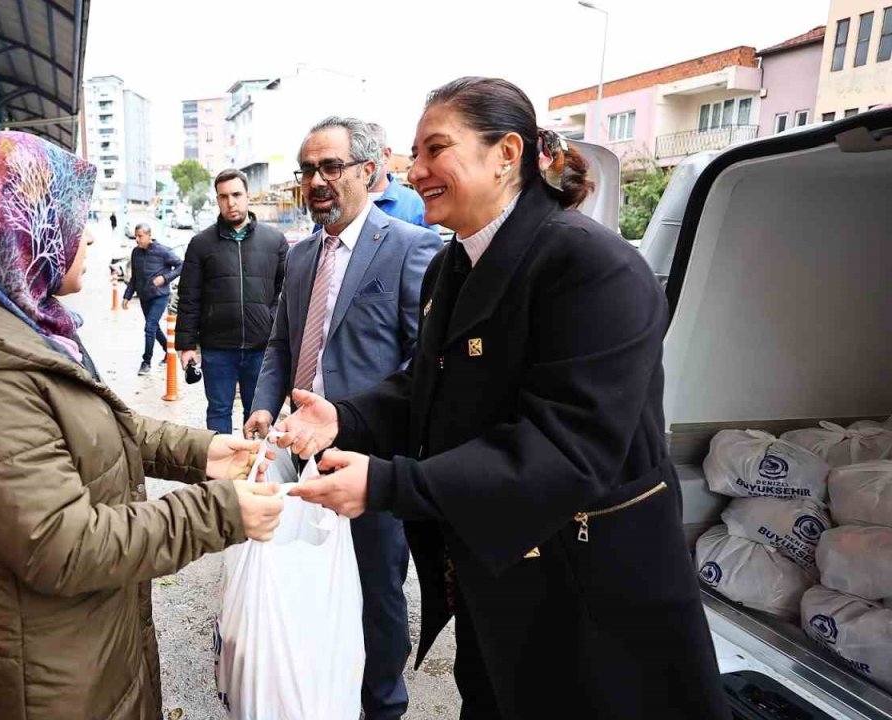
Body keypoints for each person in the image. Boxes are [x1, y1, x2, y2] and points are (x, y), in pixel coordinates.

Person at [277, 78, 730, 720]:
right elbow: (425, 387)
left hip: (590, 585)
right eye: (415, 153)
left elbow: (567, 447)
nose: (418, 170)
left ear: (506, 152)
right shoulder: (452, 264)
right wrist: (344, 418)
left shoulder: (590, 267)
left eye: (437, 149)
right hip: (497, 574)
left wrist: (389, 484)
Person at [0, 131, 284, 720]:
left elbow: (98, 423)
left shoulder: (16, 324)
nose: (83, 236)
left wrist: (204, 454)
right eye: (67, 217)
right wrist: (223, 512)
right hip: (39, 671)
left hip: (71, 644)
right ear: (12, 231)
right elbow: (64, 545)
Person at [244, 116, 439, 719]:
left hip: (368, 460)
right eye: (308, 169)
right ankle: (320, 690)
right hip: (298, 451)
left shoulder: (412, 248)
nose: (317, 181)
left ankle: (381, 705)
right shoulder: (301, 256)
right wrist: (260, 407)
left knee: (376, 591)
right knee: (309, 581)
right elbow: (281, 345)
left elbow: (422, 365)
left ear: (368, 171)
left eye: (331, 166)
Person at [176, 169, 287, 433]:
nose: (231, 202)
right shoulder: (201, 244)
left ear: (248, 196)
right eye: (223, 197)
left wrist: (271, 323)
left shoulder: (274, 240)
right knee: (218, 411)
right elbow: (189, 296)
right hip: (217, 348)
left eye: (236, 195)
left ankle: (251, 467)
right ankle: (221, 470)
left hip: (261, 348)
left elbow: (285, 291)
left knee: (257, 414)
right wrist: (186, 345)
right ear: (217, 200)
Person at [121, 223, 182, 375]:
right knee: (153, 327)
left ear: (149, 235)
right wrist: (127, 296)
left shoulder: (163, 251)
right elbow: (135, 278)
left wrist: (165, 278)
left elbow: (182, 265)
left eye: (140, 236)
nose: (137, 239)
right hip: (144, 296)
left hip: (160, 296)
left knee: (149, 327)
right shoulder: (135, 253)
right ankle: (168, 351)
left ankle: (146, 362)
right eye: (136, 236)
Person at [366, 122, 435, 230]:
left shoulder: (417, 204)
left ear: (386, 154)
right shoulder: (343, 205)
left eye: (366, 155)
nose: (361, 165)